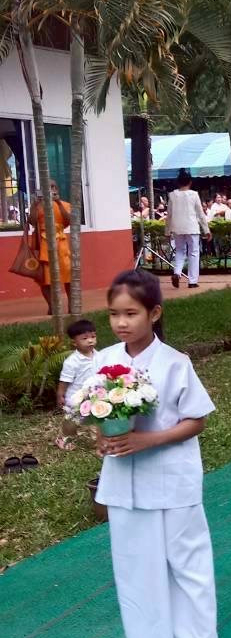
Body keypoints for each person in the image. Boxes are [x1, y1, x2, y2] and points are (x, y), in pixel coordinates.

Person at [94, 269, 221, 638]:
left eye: (131, 313)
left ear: (155, 313)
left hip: (171, 478)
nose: (122, 323)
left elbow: (196, 420)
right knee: (134, 567)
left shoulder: (174, 363)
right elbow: (93, 409)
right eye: (114, 314)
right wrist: (103, 435)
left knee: (187, 566)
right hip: (124, 480)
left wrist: (148, 439)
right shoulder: (103, 360)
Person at [28, 181, 71, 314]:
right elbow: (32, 222)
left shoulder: (65, 204)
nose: (50, 189)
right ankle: (52, 307)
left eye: (52, 186)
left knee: (68, 275)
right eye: (46, 187)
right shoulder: (37, 205)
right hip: (43, 244)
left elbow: (69, 221)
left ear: (57, 189)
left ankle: (72, 304)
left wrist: (58, 203)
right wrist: (35, 204)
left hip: (61, 244)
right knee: (45, 278)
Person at [56, 317, 99, 450]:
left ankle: (98, 442)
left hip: (95, 395)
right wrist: (60, 395)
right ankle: (64, 438)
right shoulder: (72, 362)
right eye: (85, 338)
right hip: (76, 398)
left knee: (98, 419)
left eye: (93, 336)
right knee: (72, 421)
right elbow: (65, 380)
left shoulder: (99, 355)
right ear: (74, 343)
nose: (90, 340)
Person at [165, 169, 211, 290]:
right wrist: (206, 230)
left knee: (180, 251)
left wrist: (167, 231)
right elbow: (200, 214)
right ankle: (192, 281)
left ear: (178, 182)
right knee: (194, 253)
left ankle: (177, 272)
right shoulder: (194, 194)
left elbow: (169, 215)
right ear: (190, 182)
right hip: (192, 227)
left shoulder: (172, 195)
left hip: (177, 228)